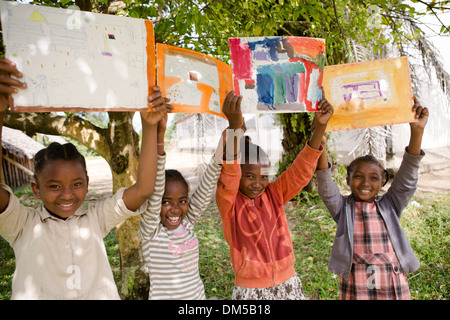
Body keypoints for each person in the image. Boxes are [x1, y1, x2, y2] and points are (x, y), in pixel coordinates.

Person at [0, 58, 172, 299]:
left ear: (87, 184)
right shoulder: (21, 224)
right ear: (35, 189)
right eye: (54, 186)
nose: (68, 194)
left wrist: (149, 125)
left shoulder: (95, 219)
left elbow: (143, 188)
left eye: (77, 184)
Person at [215, 90, 334, 300]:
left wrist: (321, 127)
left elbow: (301, 170)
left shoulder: (274, 193)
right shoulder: (229, 203)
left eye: (264, 176)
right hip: (250, 291)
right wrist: (234, 128)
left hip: (288, 283)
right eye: (250, 176)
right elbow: (229, 172)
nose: (258, 183)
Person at [316, 97, 428, 300]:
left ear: (383, 181)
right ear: (348, 179)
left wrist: (417, 132)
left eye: (374, 178)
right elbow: (325, 188)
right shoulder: (343, 209)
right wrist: (320, 144)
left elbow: (407, 180)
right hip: (356, 284)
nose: (366, 183)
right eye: (358, 176)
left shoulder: (390, 205)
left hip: (390, 282)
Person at [138, 91, 243, 299]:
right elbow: (156, 186)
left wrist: (227, 139)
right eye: (166, 202)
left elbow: (208, 182)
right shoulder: (151, 230)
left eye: (182, 201)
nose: (175, 209)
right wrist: (159, 136)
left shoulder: (187, 223)